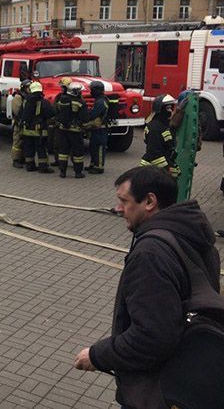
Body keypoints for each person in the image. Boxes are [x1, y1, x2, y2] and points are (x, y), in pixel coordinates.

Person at [74, 166, 221, 409]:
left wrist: (97, 355)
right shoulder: (193, 233)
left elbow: (152, 336)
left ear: (150, 201)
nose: (118, 208)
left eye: (124, 201)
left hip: (156, 390)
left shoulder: (151, 254)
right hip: (190, 376)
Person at [55, 81, 89, 178]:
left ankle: (62, 172)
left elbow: (57, 111)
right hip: (75, 131)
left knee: (63, 151)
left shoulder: (62, 99)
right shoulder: (80, 102)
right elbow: (84, 118)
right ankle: (78, 173)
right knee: (77, 152)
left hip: (62, 129)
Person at [141, 94, 179, 178]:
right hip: (154, 170)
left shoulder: (164, 125)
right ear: (161, 110)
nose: (171, 111)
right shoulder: (154, 128)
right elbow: (154, 153)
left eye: (171, 108)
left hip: (163, 165)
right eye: (168, 108)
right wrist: (166, 169)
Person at [20, 81, 55, 173]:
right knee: (41, 149)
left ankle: (30, 166)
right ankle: (43, 168)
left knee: (29, 148)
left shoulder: (25, 101)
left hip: (26, 130)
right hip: (39, 130)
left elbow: (21, 114)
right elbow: (50, 114)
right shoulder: (44, 102)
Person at [86, 81, 109, 174]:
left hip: (101, 129)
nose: (90, 92)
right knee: (93, 147)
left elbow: (94, 114)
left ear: (97, 90)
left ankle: (99, 167)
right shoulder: (100, 99)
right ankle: (93, 164)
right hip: (96, 128)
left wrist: (86, 115)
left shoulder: (101, 101)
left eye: (92, 90)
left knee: (99, 147)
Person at [10, 80, 30, 168]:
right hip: (18, 123)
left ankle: (23, 158)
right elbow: (17, 111)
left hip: (26, 123)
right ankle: (16, 160)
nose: (29, 89)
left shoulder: (29, 97)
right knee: (17, 141)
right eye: (28, 87)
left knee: (25, 141)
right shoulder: (18, 97)